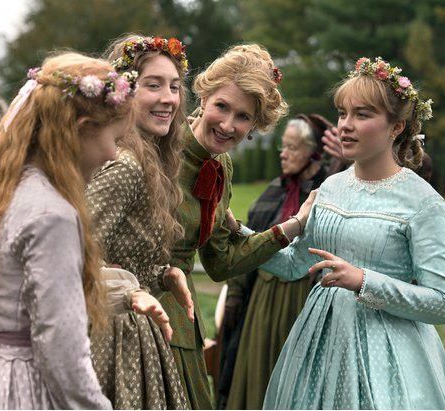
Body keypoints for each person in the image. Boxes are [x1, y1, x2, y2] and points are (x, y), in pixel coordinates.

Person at [0, 52, 167, 410]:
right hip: (17, 388)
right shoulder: (53, 215)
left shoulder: (2, 190)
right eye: (114, 138)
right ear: (81, 129)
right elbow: (61, 349)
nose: (114, 155)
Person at [256, 57, 445, 409]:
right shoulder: (330, 188)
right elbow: (294, 265)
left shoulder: (424, 203)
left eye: (362, 115)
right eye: (342, 113)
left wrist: (364, 281)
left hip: (390, 355)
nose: (346, 126)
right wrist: (234, 233)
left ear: (396, 127)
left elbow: (440, 303)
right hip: (319, 344)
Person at [158, 44, 316, 409]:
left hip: (180, 315)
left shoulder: (222, 167)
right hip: (134, 309)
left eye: (243, 117)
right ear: (203, 97)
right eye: (222, 106)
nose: (228, 125)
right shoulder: (160, 146)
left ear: (255, 126)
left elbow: (221, 263)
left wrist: (292, 227)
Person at [86, 34, 191, 409]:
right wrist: (129, 293)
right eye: (154, 85)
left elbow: (124, 250)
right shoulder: (125, 165)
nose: (169, 98)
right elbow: (77, 254)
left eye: (174, 87)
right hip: (112, 333)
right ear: (124, 93)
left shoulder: (149, 160)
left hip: (133, 325)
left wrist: (163, 274)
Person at [218, 114, 340, 410]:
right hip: (262, 301)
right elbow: (248, 247)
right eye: (283, 146)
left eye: (293, 147)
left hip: (301, 299)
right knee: (256, 372)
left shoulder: (327, 193)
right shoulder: (272, 193)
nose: (283, 154)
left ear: (314, 153)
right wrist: (235, 294)